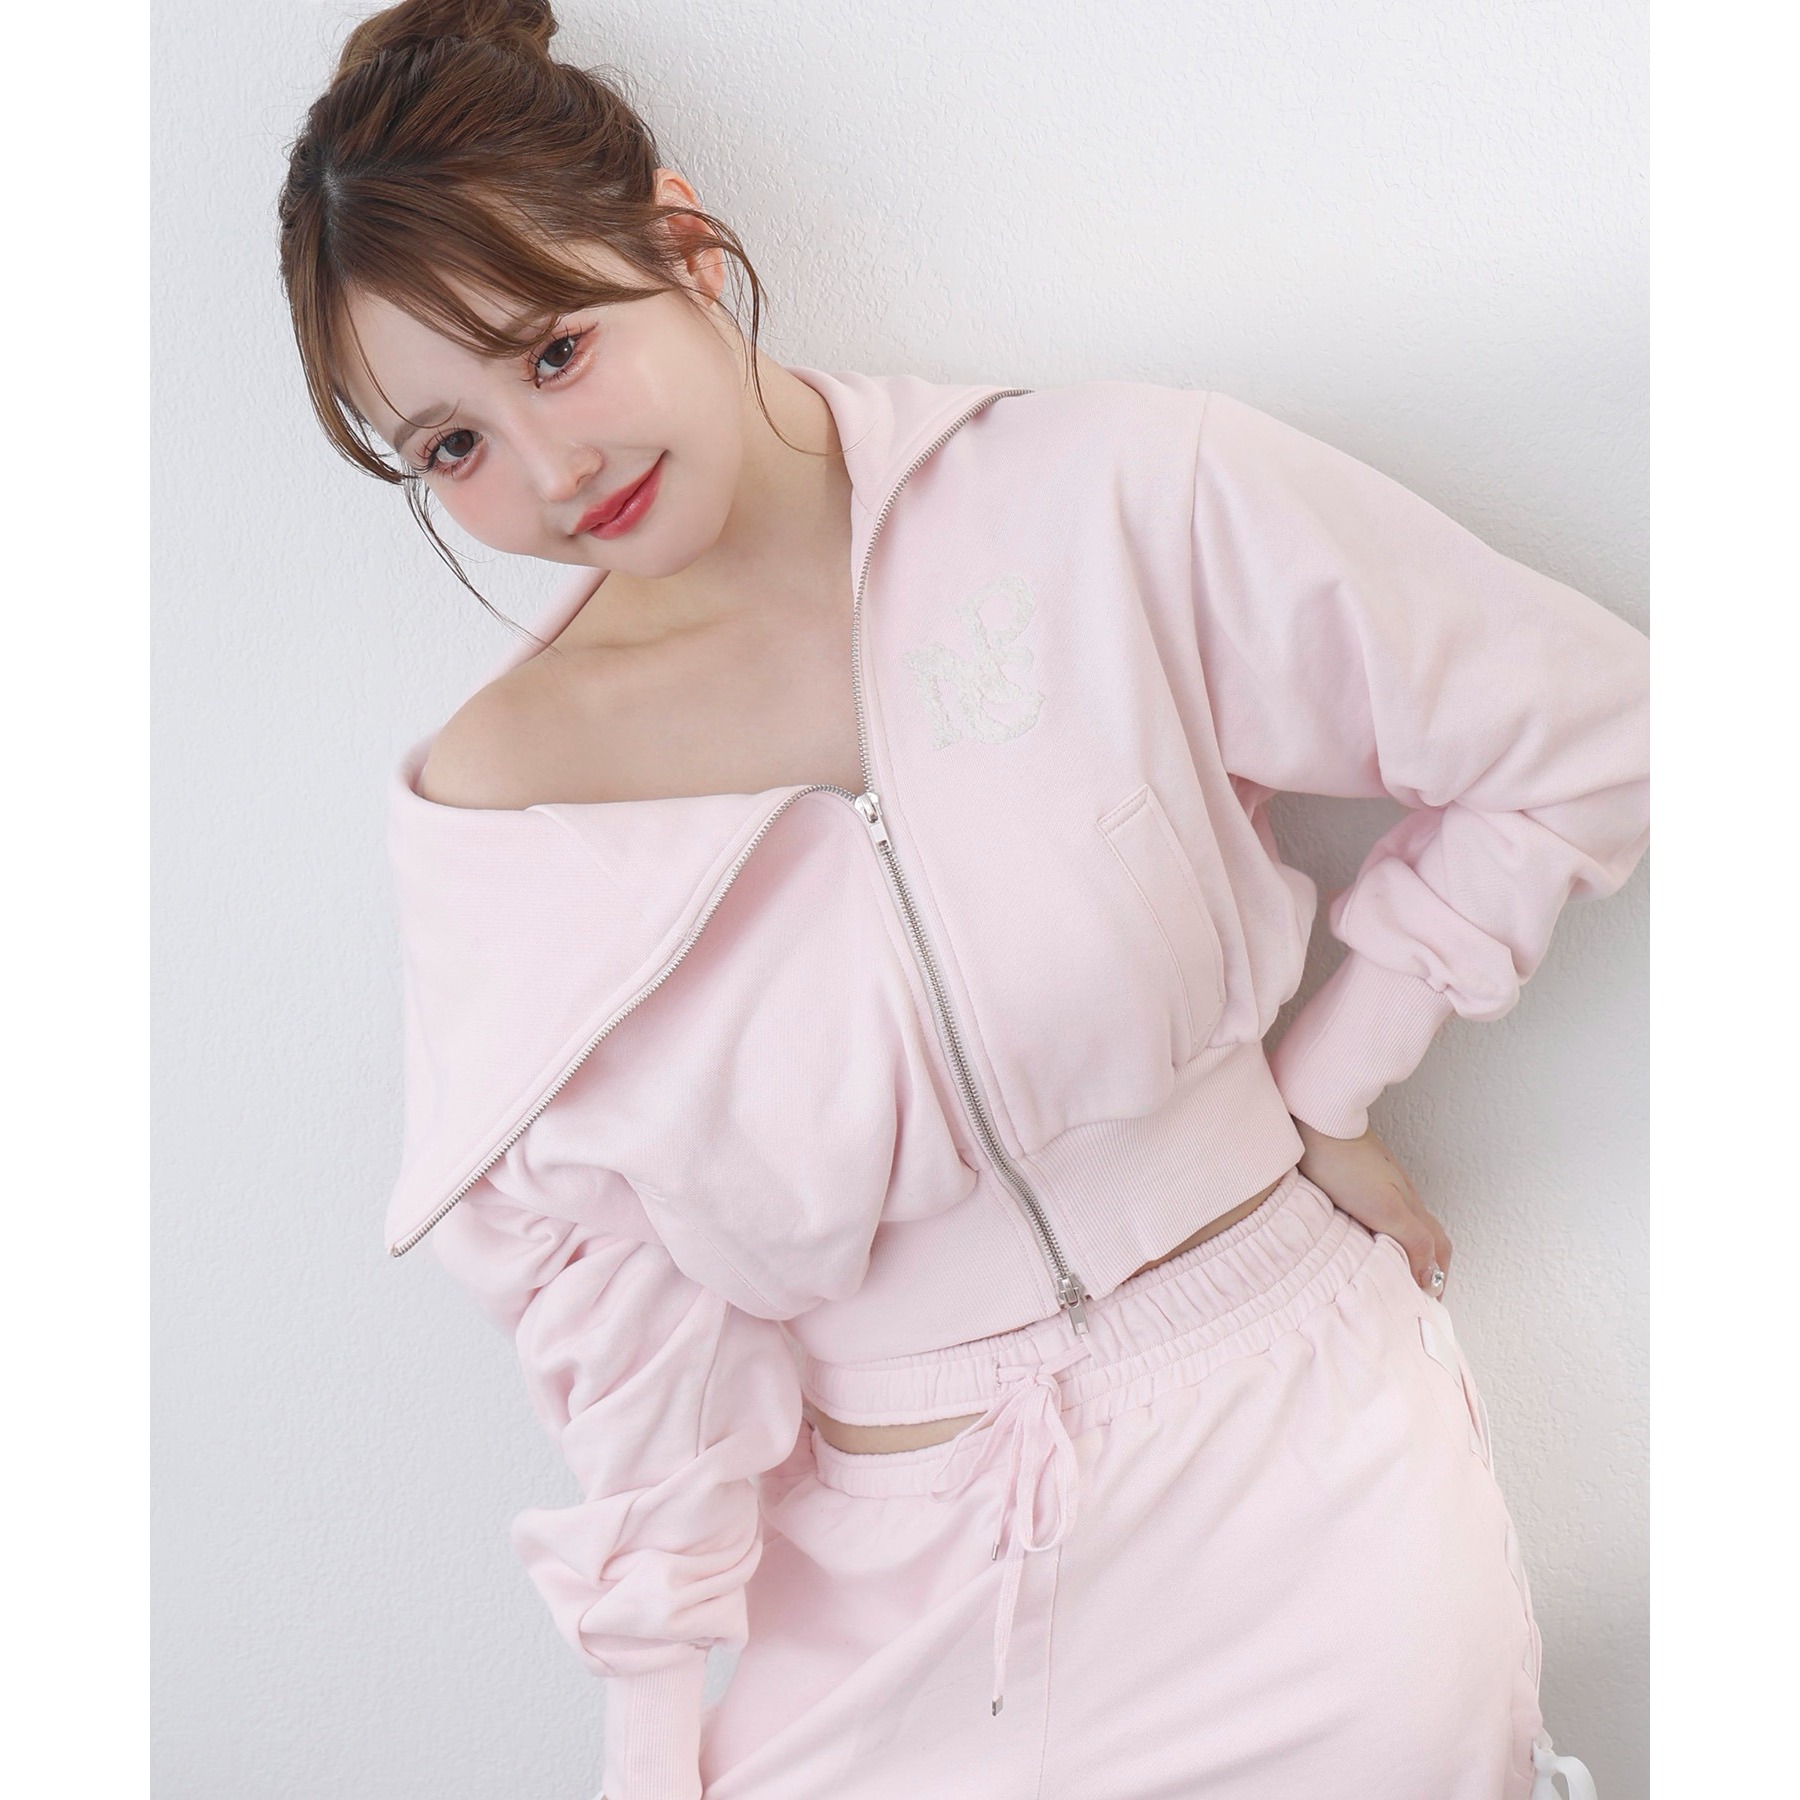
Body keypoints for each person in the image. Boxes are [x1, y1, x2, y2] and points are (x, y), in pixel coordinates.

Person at [277, 3, 1644, 1796]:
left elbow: (1578, 725)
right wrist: (655, 1720)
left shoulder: (1100, 496)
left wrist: (1330, 1082)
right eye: (449, 447)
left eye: (554, 352)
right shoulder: (504, 806)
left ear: (681, 243)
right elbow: (609, 1307)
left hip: (1308, 1487)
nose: (549, 475)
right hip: (891, 1583)